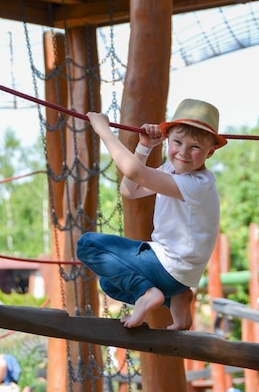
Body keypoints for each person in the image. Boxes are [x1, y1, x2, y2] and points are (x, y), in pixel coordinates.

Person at [78, 98, 227, 330]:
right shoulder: (171, 171)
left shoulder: (196, 184)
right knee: (109, 284)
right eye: (177, 142)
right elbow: (129, 189)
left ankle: (148, 292)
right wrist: (144, 147)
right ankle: (175, 299)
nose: (184, 153)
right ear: (167, 140)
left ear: (210, 152)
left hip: (170, 266)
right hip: (178, 274)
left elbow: (134, 172)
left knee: (88, 244)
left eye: (195, 147)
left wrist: (103, 130)